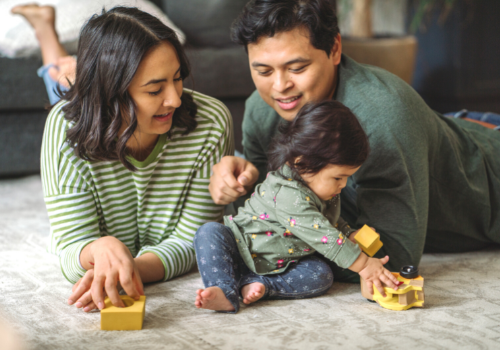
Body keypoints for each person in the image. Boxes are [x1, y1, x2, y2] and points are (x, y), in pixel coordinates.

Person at [208, 0, 500, 282]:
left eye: (297, 68)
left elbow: (393, 257)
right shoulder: (263, 110)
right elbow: (263, 219)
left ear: (334, 49)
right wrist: (243, 179)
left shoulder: (382, 121)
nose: (280, 86)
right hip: (452, 126)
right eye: (263, 71)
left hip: (488, 173)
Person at [38, 6, 233, 312]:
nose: (175, 99)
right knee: (56, 77)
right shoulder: (64, 129)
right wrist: (96, 249)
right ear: (111, 93)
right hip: (85, 114)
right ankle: (42, 28)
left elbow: (196, 240)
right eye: (155, 89)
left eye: (178, 78)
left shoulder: (211, 123)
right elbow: (69, 248)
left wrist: (127, 268)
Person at [194, 100, 400, 312]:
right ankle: (223, 289)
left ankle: (262, 285)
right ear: (303, 163)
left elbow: (329, 222)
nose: (344, 184)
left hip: (281, 264)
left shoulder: (322, 188)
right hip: (239, 249)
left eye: (348, 177)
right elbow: (324, 236)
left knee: (321, 274)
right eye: (339, 177)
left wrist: (348, 234)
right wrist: (365, 265)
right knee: (209, 232)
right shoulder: (288, 195)